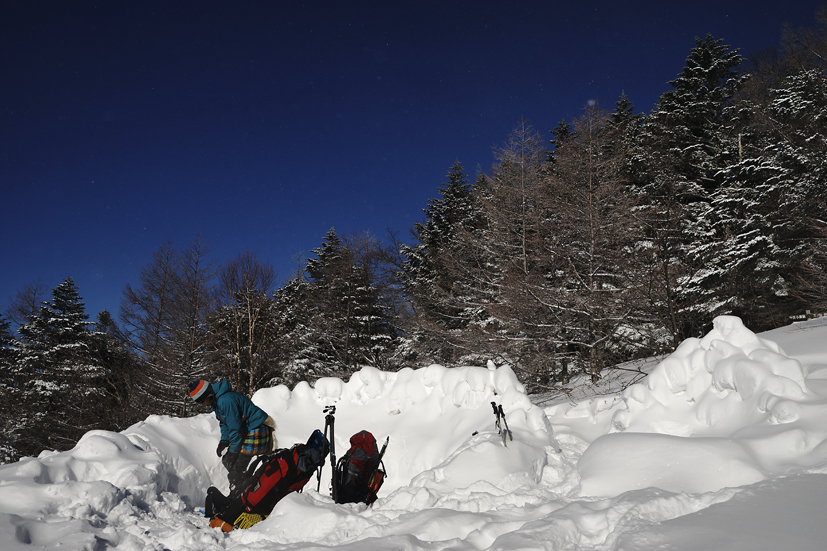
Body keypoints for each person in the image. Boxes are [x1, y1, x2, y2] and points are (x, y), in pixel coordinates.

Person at [188, 379, 277, 485]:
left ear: (208, 395)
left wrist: (234, 452)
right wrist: (224, 440)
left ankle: (245, 488)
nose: (201, 405)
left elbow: (235, 428)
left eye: (201, 401)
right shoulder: (217, 402)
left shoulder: (225, 401)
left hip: (258, 427)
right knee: (228, 461)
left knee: (236, 465)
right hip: (248, 429)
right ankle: (244, 484)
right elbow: (224, 423)